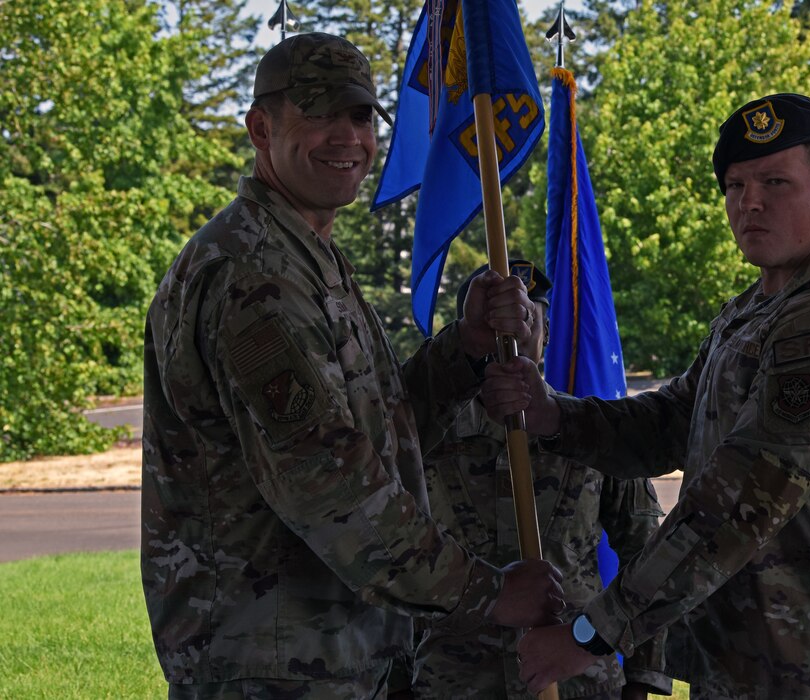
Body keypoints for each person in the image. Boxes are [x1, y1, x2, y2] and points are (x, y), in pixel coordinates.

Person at [141, 32, 564, 700]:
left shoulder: (305, 254)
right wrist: (488, 591)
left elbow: (371, 437)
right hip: (273, 665)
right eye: (317, 113)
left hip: (334, 654)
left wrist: (466, 350)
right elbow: (330, 485)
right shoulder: (253, 276)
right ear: (260, 127)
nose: (347, 137)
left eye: (361, 115)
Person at [483, 93, 810, 698]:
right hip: (755, 661)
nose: (750, 202)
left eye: (775, 181)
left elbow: (735, 506)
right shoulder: (763, 307)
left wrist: (591, 634)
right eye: (735, 184)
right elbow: (669, 423)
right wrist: (554, 415)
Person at [411, 261, 673, 700]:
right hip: (455, 680)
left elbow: (645, 553)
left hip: (580, 681)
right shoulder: (424, 437)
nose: (512, 333)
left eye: (527, 316)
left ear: (546, 332)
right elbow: (386, 553)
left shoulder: (593, 430)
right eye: (498, 318)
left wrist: (644, 680)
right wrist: (397, 681)